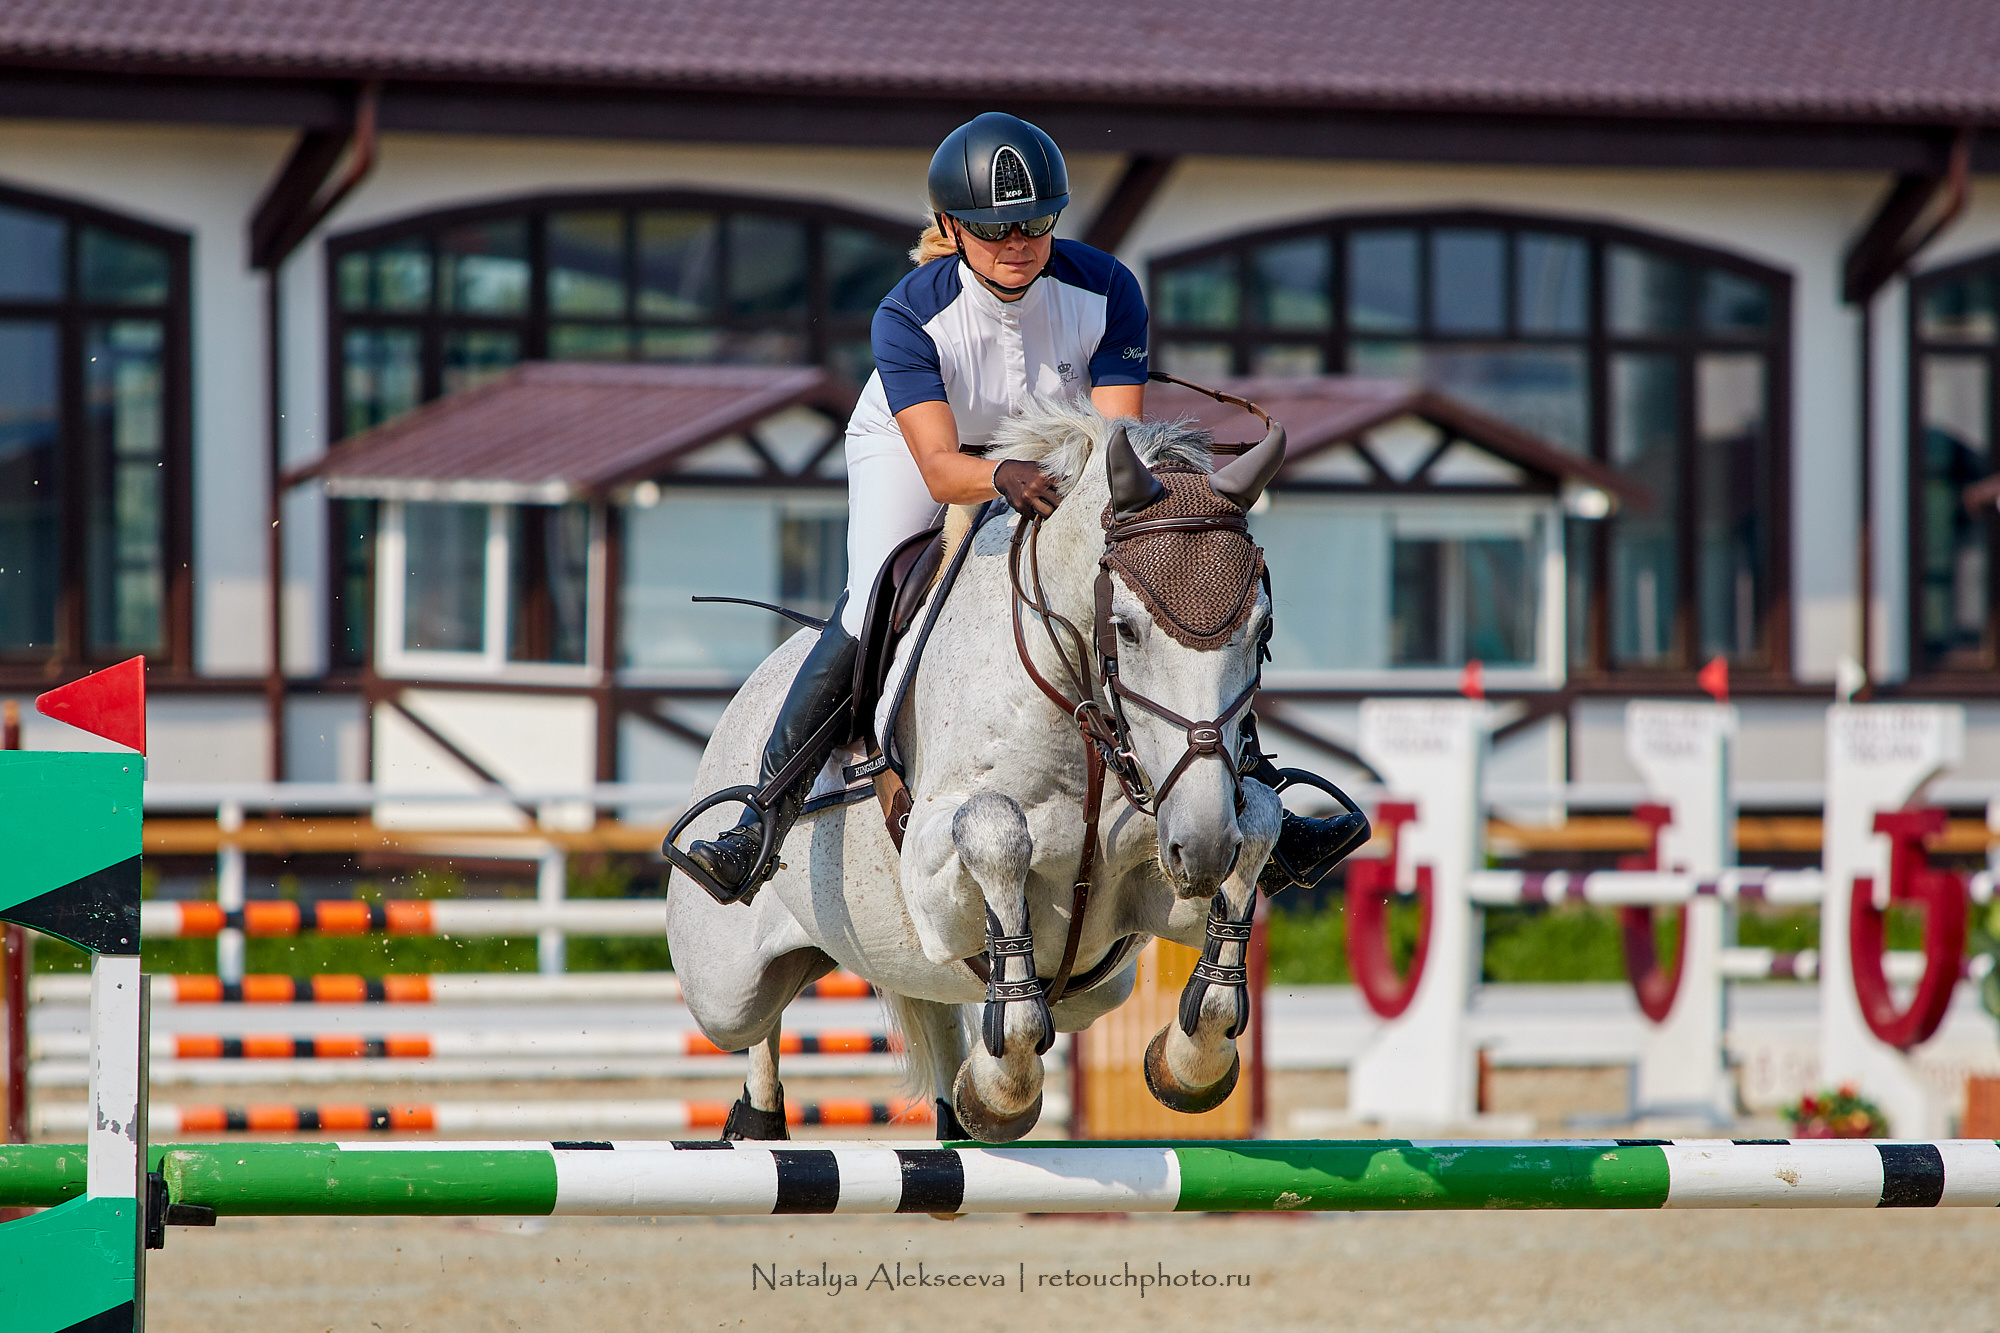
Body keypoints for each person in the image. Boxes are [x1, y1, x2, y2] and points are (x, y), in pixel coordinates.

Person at [685, 111, 1365, 902]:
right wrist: (998, 475)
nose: (1017, 243)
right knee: (872, 598)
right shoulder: (906, 315)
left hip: (1060, 451)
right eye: (993, 228)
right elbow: (942, 470)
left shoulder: (1108, 289)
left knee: (1163, 585)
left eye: (1036, 224)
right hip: (922, 451)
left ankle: (1255, 787)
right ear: (950, 227)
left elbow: (1115, 453)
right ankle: (760, 822)